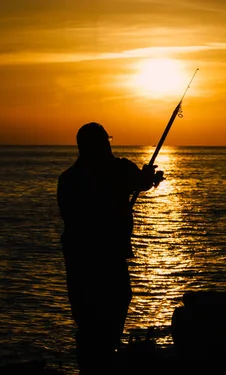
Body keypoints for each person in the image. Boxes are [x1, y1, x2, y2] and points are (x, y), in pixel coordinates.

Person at [57, 122, 164, 373]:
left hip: (77, 259)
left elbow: (138, 182)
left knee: (87, 318)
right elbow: (141, 182)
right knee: (114, 303)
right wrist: (150, 178)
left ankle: (93, 364)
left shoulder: (68, 179)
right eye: (106, 142)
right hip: (107, 258)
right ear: (100, 145)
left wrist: (144, 180)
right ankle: (104, 359)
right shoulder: (117, 170)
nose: (108, 146)